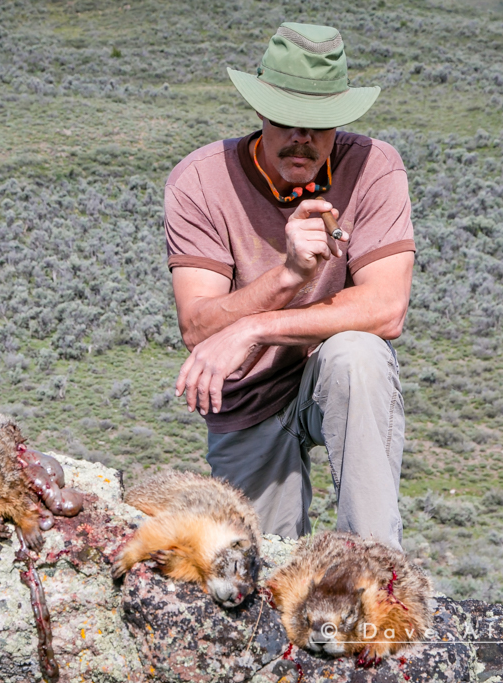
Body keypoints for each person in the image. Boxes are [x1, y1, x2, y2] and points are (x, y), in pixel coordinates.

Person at [165, 22, 415, 552]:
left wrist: (257, 326)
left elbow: (387, 308)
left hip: (331, 380)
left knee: (358, 356)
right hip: (246, 400)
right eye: (286, 120)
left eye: (320, 123)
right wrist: (288, 276)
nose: (302, 137)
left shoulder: (374, 166)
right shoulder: (200, 181)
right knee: (253, 575)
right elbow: (199, 325)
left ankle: (374, 573)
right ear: (259, 111)